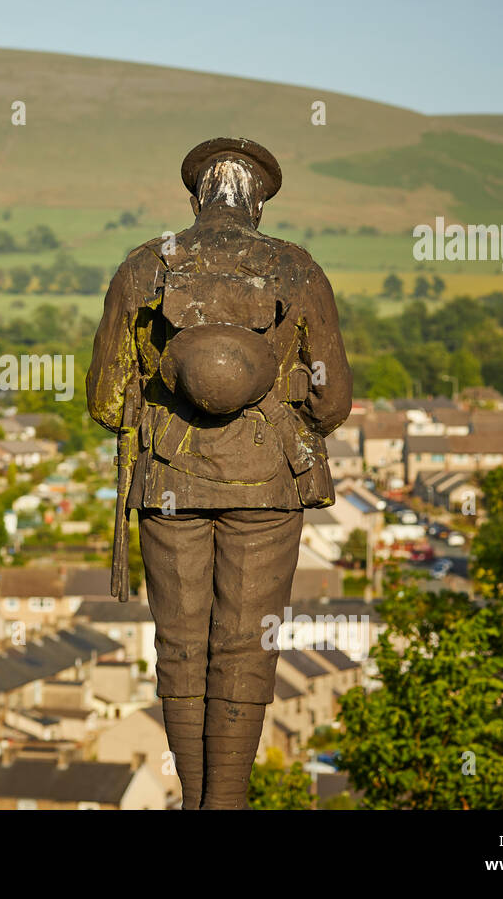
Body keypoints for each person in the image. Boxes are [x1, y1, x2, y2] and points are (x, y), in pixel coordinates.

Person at [87, 137, 352, 809]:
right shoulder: (296, 270)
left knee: (180, 646)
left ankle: (193, 800)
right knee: (245, 648)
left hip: (169, 479)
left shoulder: (147, 265)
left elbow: (105, 400)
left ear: (197, 195)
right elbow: (333, 399)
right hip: (269, 484)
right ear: (257, 201)